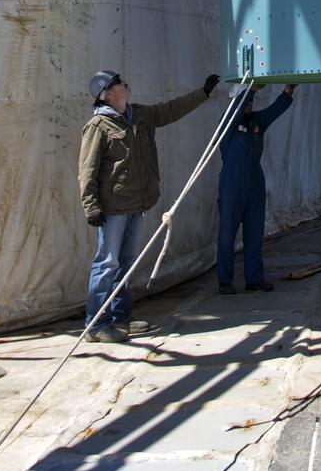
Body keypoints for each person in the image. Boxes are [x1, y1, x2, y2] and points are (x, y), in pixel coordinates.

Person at [79, 69, 221, 344]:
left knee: (127, 265)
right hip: (114, 208)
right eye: (118, 82)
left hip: (137, 204)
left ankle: (121, 317)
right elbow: (87, 169)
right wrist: (91, 207)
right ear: (108, 94)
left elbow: (171, 110)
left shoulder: (140, 115)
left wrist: (202, 93)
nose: (125, 83)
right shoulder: (98, 127)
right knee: (107, 264)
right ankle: (96, 324)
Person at [216, 81, 297, 294]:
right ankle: (225, 280)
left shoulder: (256, 122)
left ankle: (254, 278)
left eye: (251, 101)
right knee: (227, 234)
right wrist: (250, 89)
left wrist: (288, 90)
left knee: (254, 233)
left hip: (254, 185)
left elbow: (275, 110)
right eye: (246, 101)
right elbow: (235, 113)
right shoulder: (228, 124)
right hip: (232, 185)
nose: (250, 105)